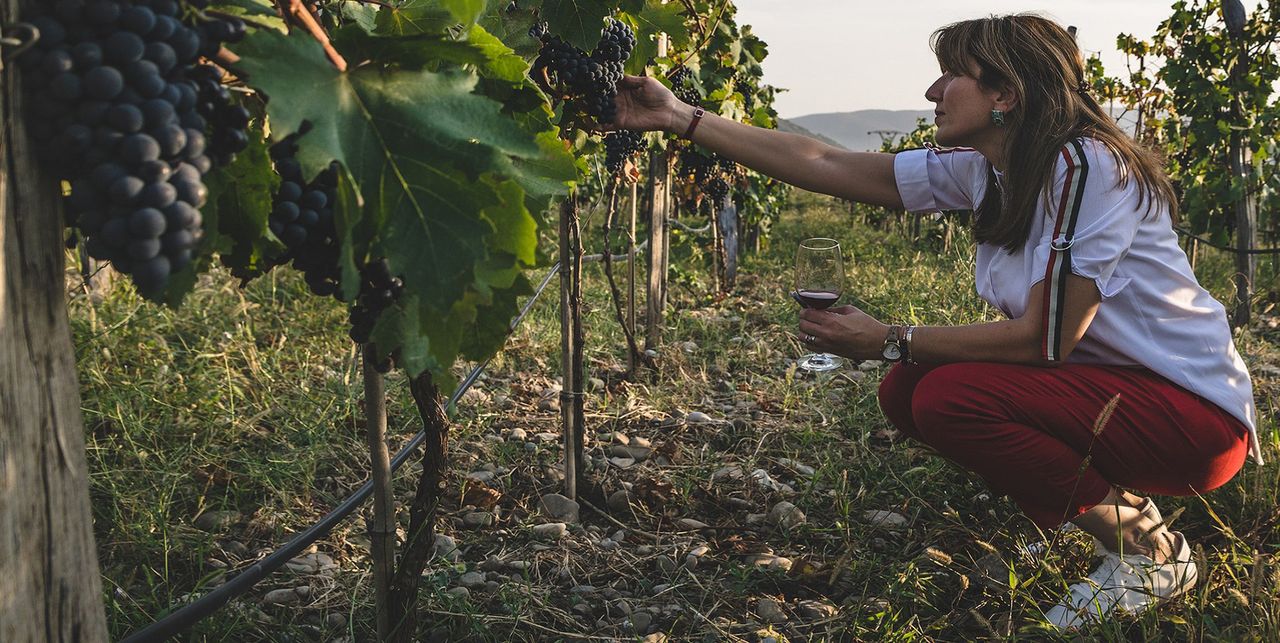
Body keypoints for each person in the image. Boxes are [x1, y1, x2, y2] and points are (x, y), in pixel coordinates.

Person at [608, 12, 1259, 630]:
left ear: (1005, 94)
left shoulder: (1086, 168)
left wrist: (891, 338)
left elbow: (1048, 337)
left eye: (953, 75)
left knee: (949, 394)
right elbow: (826, 163)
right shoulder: (991, 169)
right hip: (1111, 392)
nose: (932, 91)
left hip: (1193, 418)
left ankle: (1149, 550)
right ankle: (1100, 516)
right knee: (908, 388)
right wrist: (680, 117)